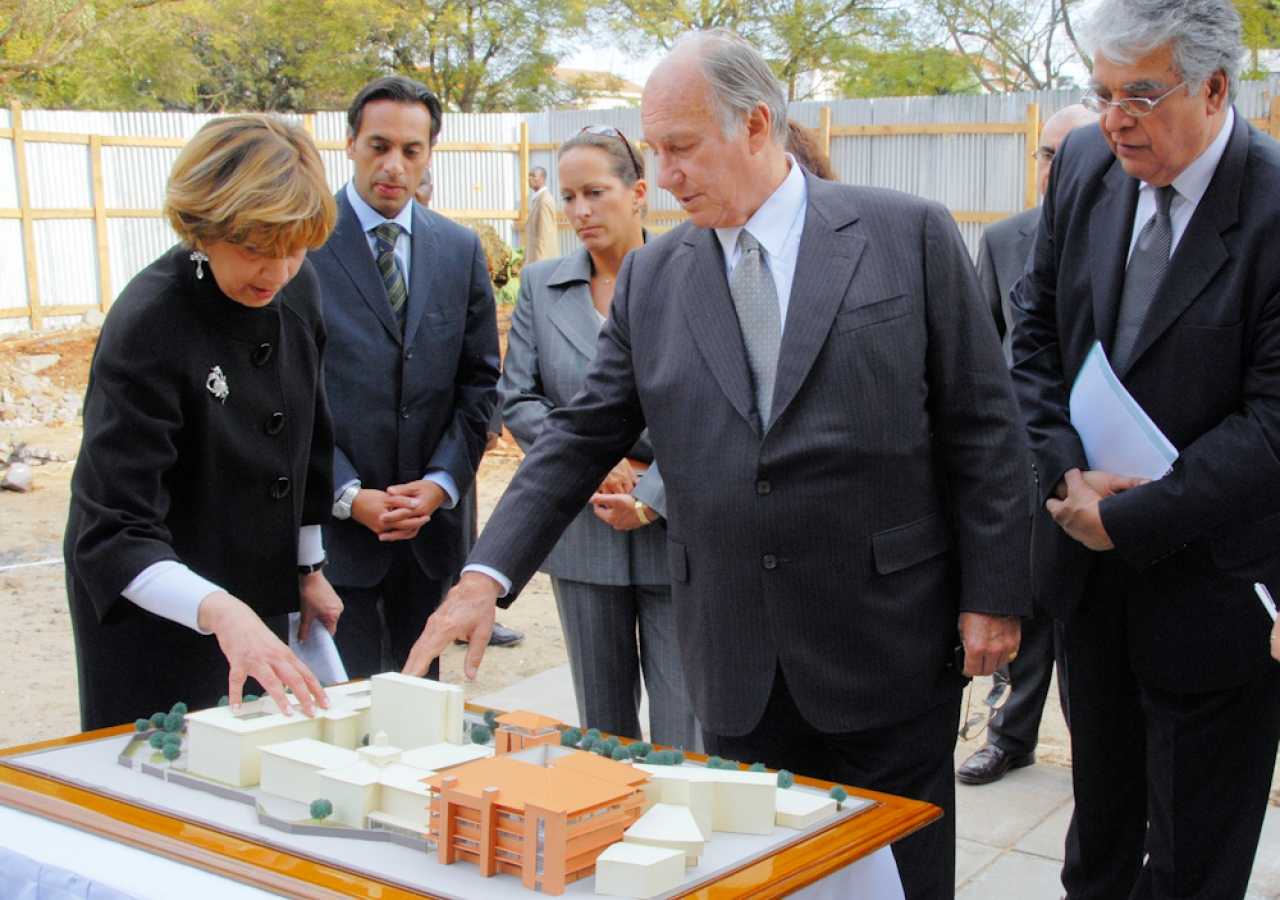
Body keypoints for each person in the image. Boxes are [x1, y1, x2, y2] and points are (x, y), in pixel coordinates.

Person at [405, 29, 1030, 900]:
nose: (662, 176)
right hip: (735, 655)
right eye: (654, 151)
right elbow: (583, 433)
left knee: (904, 878)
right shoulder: (657, 279)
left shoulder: (906, 235)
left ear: (756, 125)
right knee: (757, 878)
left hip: (885, 637)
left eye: (680, 148)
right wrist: (484, 576)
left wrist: (994, 595)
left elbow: (984, 427)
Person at [1010, 0, 1280, 895]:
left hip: (1212, 587)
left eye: (1139, 95)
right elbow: (1035, 335)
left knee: (1195, 860)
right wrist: (1066, 478)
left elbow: (1273, 419)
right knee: (1099, 843)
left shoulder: (1275, 205)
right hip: (1089, 579)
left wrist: (1135, 516)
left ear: (1214, 87)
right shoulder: (1088, 161)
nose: (1115, 119)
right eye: (1101, 93)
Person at [65, 115, 340, 731]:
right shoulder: (150, 323)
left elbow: (308, 441)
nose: (275, 275)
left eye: (294, 251)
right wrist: (220, 611)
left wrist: (308, 568)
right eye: (253, 251)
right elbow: (114, 532)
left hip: (257, 583)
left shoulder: (298, 289)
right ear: (203, 227)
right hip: (155, 598)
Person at [499, 125, 699, 749]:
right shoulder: (540, 285)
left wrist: (653, 488)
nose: (580, 211)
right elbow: (519, 398)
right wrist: (599, 463)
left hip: (676, 528)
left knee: (683, 722)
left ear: (638, 192)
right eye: (568, 197)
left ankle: (676, 839)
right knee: (601, 727)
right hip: (582, 531)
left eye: (595, 192)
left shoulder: (694, 273)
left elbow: (715, 405)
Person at [310, 76, 501, 681]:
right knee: (343, 723)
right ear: (349, 144)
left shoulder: (459, 249)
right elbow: (289, 393)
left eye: (411, 151)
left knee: (421, 717)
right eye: (378, 145)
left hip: (429, 539)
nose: (394, 166)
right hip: (337, 546)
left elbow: (479, 386)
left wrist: (443, 482)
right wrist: (345, 494)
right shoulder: (304, 244)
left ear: (429, 154)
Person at [955, 103, 1097, 786]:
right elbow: (985, 355)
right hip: (1025, 465)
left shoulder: (1122, 233)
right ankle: (1010, 737)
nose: (1053, 169)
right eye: (1045, 155)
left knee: (1090, 626)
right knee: (1024, 610)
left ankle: (1099, 750)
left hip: (1106, 470)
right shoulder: (1007, 237)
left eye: (1067, 154)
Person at [525, 166, 559, 263]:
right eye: (529, 176)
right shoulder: (537, 199)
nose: (530, 178)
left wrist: (539, 264)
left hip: (542, 262)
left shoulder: (545, 201)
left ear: (542, 179)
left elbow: (545, 236)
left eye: (533, 176)